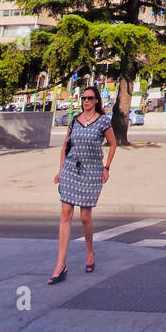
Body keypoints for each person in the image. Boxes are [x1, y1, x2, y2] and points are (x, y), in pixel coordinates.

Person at [49, 86, 117, 283]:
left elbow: (113, 144)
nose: (86, 101)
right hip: (71, 168)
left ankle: (90, 252)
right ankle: (60, 265)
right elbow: (65, 146)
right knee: (65, 212)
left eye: (89, 98)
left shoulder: (103, 121)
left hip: (91, 171)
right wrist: (61, 170)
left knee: (85, 216)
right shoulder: (74, 120)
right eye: (83, 98)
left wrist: (107, 167)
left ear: (96, 101)